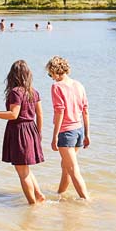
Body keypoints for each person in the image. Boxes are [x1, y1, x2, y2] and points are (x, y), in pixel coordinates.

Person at [0, 60, 45, 205]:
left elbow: (13, 114)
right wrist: (38, 134)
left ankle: (33, 205)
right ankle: (39, 195)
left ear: (12, 75)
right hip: (31, 129)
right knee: (25, 168)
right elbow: (40, 115)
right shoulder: (34, 92)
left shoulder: (16, 92)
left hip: (19, 132)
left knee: (22, 173)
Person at [46, 56, 90, 200]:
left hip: (66, 133)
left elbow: (60, 111)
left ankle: (88, 202)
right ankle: (60, 196)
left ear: (54, 71)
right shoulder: (79, 85)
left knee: (73, 170)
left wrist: (55, 136)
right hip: (79, 131)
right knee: (66, 168)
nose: (51, 77)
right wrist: (87, 134)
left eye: (50, 74)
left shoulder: (56, 87)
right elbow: (85, 110)